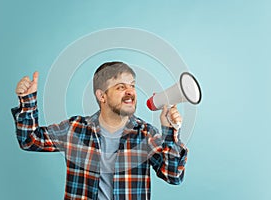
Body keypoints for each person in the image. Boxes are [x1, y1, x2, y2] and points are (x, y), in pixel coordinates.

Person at [11, 61, 188, 200]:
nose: (130, 92)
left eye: (132, 85)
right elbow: (30, 140)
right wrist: (28, 100)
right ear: (101, 95)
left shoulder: (146, 134)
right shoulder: (75, 129)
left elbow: (173, 175)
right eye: (121, 87)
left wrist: (170, 131)